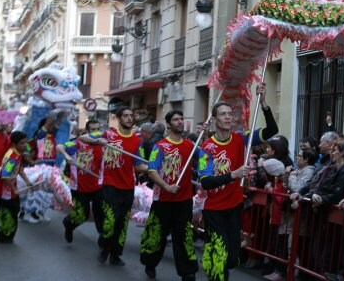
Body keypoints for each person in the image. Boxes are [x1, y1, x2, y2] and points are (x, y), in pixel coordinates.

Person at [140, 110, 247, 281]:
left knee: (184, 238)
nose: (180, 122)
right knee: (156, 235)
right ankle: (150, 263)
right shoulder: (160, 147)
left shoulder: (191, 146)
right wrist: (166, 186)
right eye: (176, 119)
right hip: (163, 201)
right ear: (168, 124)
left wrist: (204, 135)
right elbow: (152, 170)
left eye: (182, 119)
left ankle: (188, 272)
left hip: (183, 202)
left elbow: (207, 155)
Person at [200, 82, 278, 281]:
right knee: (220, 255)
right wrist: (234, 175)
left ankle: (214, 261)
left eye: (229, 114)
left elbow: (272, 130)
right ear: (215, 120)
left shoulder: (241, 138)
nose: (228, 117)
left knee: (233, 257)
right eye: (223, 114)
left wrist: (264, 103)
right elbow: (206, 182)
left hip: (234, 207)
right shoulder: (207, 147)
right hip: (214, 210)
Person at [79, 106, 148, 266]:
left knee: (122, 223)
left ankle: (116, 254)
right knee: (110, 220)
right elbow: (83, 138)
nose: (130, 118)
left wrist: (152, 167)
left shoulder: (138, 141)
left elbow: (139, 165)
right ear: (118, 118)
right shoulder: (107, 134)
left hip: (128, 186)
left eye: (131, 116)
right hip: (109, 184)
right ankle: (104, 247)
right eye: (126, 116)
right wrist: (98, 141)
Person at [57, 119, 103, 244]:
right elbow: (59, 147)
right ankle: (68, 224)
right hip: (79, 187)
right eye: (93, 130)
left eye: (98, 129)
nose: (96, 132)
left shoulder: (104, 144)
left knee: (101, 214)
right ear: (87, 131)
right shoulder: (78, 144)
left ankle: (104, 240)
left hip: (98, 186)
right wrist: (66, 156)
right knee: (82, 215)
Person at [0, 131, 32, 243]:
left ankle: (4, 234)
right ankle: (4, 235)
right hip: (5, 191)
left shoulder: (17, 154)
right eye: (22, 143)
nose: (25, 145)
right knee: (10, 212)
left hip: (9, 190)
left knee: (12, 211)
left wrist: (27, 181)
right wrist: (13, 189)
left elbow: (19, 169)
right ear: (14, 144)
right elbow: (5, 177)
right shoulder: (12, 157)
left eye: (25, 142)